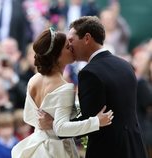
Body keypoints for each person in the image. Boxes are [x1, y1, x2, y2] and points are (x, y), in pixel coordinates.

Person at [39, 16, 148, 158]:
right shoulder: (125, 65)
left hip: (108, 151)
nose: (69, 46)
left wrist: (54, 125)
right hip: (136, 148)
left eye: (71, 40)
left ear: (87, 38)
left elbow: (90, 120)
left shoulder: (89, 73)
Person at [11, 27, 114, 158]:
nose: (71, 48)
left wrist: (49, 124)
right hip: (54, 151)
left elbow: (28, 116)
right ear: (56, 56)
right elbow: (61, 128)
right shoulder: (64, 87)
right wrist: (96, 122)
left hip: (36, 146)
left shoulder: (34, 79)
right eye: (67, 47)